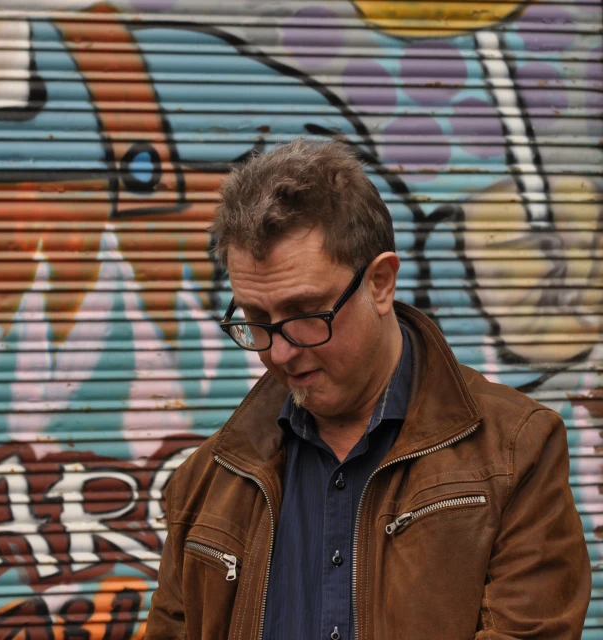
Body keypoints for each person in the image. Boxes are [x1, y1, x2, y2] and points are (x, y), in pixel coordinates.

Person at [145, 139, 590, 640]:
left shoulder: (516, 451)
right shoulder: (205, 484)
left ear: (380, 282)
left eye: (307, 315)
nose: (281, 353)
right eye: (256, 320)